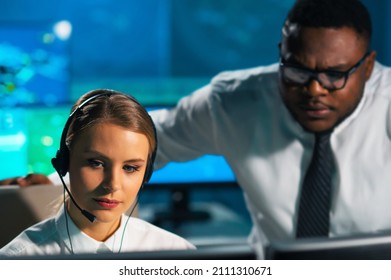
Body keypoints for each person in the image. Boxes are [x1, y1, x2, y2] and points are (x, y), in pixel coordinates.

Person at [1, 0, 391, 258]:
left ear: (369, 67)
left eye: (335, 75)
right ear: (280, 55)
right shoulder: (233, 102)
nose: (314, 89)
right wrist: (56, 181)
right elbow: (145, 139)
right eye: (298, 70)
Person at [0, 89, 195, 256]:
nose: (113, 184)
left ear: (147, 172)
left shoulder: (177, 254)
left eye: (130, 168)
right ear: (64, 163)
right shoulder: (18, 261)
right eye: (96, 163)